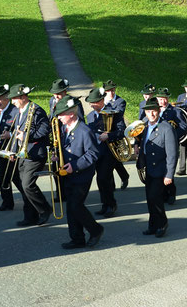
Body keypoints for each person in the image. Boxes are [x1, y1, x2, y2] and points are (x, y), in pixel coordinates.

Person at [54, 95, 104, 249]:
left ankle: (96, 230)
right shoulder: (64, 128)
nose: (59, 117)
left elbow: (93, 153)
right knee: (70, 207)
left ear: (71, 114)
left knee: (76, 205)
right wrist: (58, 157)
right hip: (68, 174)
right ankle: (77, 238)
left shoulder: (84, 130)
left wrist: (74, 165)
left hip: (82, 175)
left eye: (61, 114)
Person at [8, 84, 53, 227]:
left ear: (23, 97)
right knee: (22, 185)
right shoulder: (19, 111)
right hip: (22, 154)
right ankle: (30, 216)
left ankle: (44, 208)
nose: (12, 102)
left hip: (35, 154)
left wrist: (27, 136)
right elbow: (17, 134)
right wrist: (14, 151)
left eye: (14, 99)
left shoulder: (37, 110)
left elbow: (45, 130)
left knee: (27, 185)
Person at [137, 98, 178, 238]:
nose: (151, 114)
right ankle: (153, 225)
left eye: (154, 111)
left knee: (156, 197)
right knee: (149, 198)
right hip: (149, 169)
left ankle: (162, 223)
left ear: (159, 111)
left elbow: (172, 154)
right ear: (145, 113)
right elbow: (144, 145)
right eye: (148, 111)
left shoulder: (166, 128)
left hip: (161, 169)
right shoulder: (145, 127)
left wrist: (169, 175)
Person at [86, 87, 126, 218]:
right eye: (90, 102)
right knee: (100, 180)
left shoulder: (114, 112)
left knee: (104, 178)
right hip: (96, 152)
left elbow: (121, 131)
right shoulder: (90, 116)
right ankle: (105, 204)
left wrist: (109, 136)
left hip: (109, 152)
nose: (91, 105)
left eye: (94, 102)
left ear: (102, 100)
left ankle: (111, 204)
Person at [0, 84, 18, 211]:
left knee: (16, 178)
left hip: (11, 150)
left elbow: (22, 130)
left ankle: (30, 201)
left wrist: (10, 135)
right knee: (3, 177)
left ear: (8, 98)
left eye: (0, 98)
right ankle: (7, 202)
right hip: (1, 149)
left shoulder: (15, 111)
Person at [156, 87, 187, 205]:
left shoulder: (175, 111)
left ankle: (171, 192)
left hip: (169, 145)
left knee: (168, 169)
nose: (162, 101)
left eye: (165, 99)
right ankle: (163, 193)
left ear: (168, 99)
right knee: (160, 169)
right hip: (158, 145)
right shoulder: (155, 111)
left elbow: (183, 127)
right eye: (160, 99)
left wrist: (172, 136)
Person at [103, 80, 130, 190]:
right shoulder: (102, 100)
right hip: (104, 133)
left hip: (115, 133)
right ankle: (112, 184)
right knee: (110, 160)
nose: (111, 93)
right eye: (109, 91)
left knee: (114, 159)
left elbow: (117, 113)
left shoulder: (120, 101)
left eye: (113, 90)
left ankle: (124, 176)